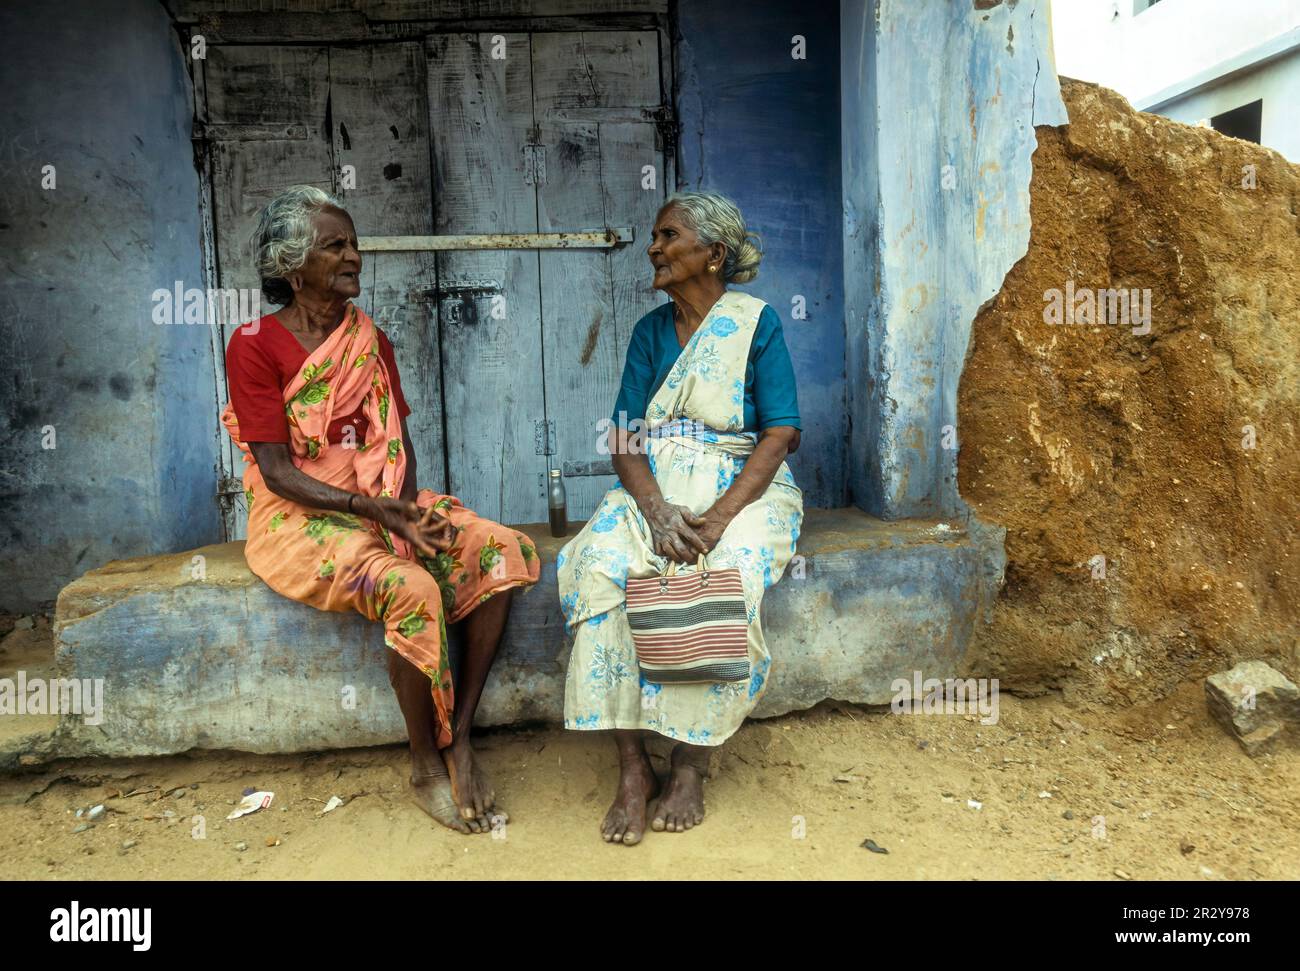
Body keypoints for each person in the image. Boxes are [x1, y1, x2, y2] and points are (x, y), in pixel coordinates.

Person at [222, 185, 539, 835]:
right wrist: (380, 516)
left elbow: (397, 443)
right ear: (291, 265)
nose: (354, 256)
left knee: (499, 547)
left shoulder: (369, 338)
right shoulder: (254, 344)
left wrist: (405, 513)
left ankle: (462, 736)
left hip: (381, 501)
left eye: (355, 242)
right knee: (410, 585)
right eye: (334, 245)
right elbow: (278, 472)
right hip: (297, 516)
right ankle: (425, 764)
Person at [558, 191, 804, 845]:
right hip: (657, 487)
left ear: (713, 254)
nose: (654, 247)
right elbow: (624, 437)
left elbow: (780, 433)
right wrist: (657, 510)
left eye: (669, 236)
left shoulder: (757, 324)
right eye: (655, 236)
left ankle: (692, 761)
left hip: (744, 488)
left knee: (725, 573)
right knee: (603, 566)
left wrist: (721, 518)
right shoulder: (648, 332)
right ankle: (634, 766)